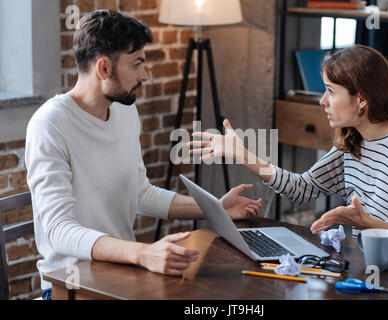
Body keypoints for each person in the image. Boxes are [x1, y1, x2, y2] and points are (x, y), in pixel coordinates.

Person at [25, 10, 263, 300]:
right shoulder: (49, 124)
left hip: (122, 276)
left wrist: (215, 209)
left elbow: (140, 194)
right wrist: (143, 253)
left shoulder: (125, 110)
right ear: (103, 69)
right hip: (71, 287)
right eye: (136, 64)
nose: (144, 75)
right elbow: (59, 231)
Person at [190, 45, 388, 256]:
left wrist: (367, 223)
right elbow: (302, 188)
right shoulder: (353, 139)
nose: (322, 101)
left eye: (330, 92)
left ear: (361, 99)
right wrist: (242, 155)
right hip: (377, 266)